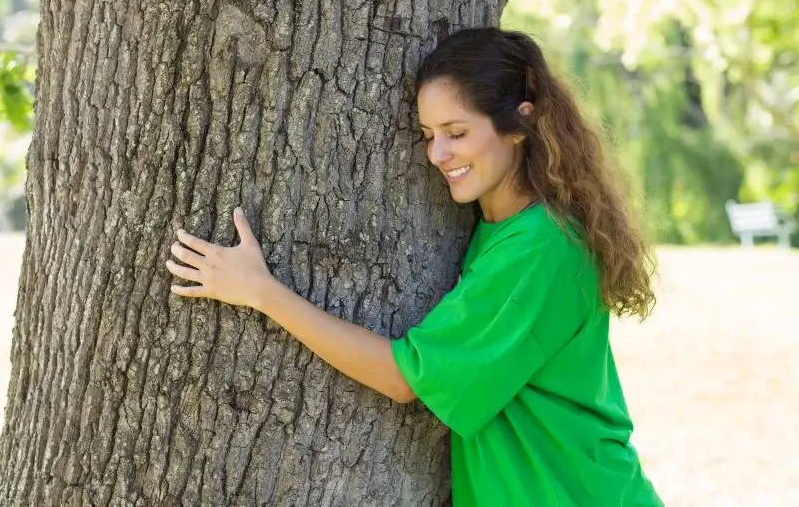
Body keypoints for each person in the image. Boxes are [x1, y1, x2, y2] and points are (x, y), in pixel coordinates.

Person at [165, 27, 663, 506]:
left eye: (457, 132)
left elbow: (403, 378)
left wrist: (263, 292)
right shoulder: (505, 228)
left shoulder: (539, 249)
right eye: (428, 134)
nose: (437, 154)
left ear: (518, 125)